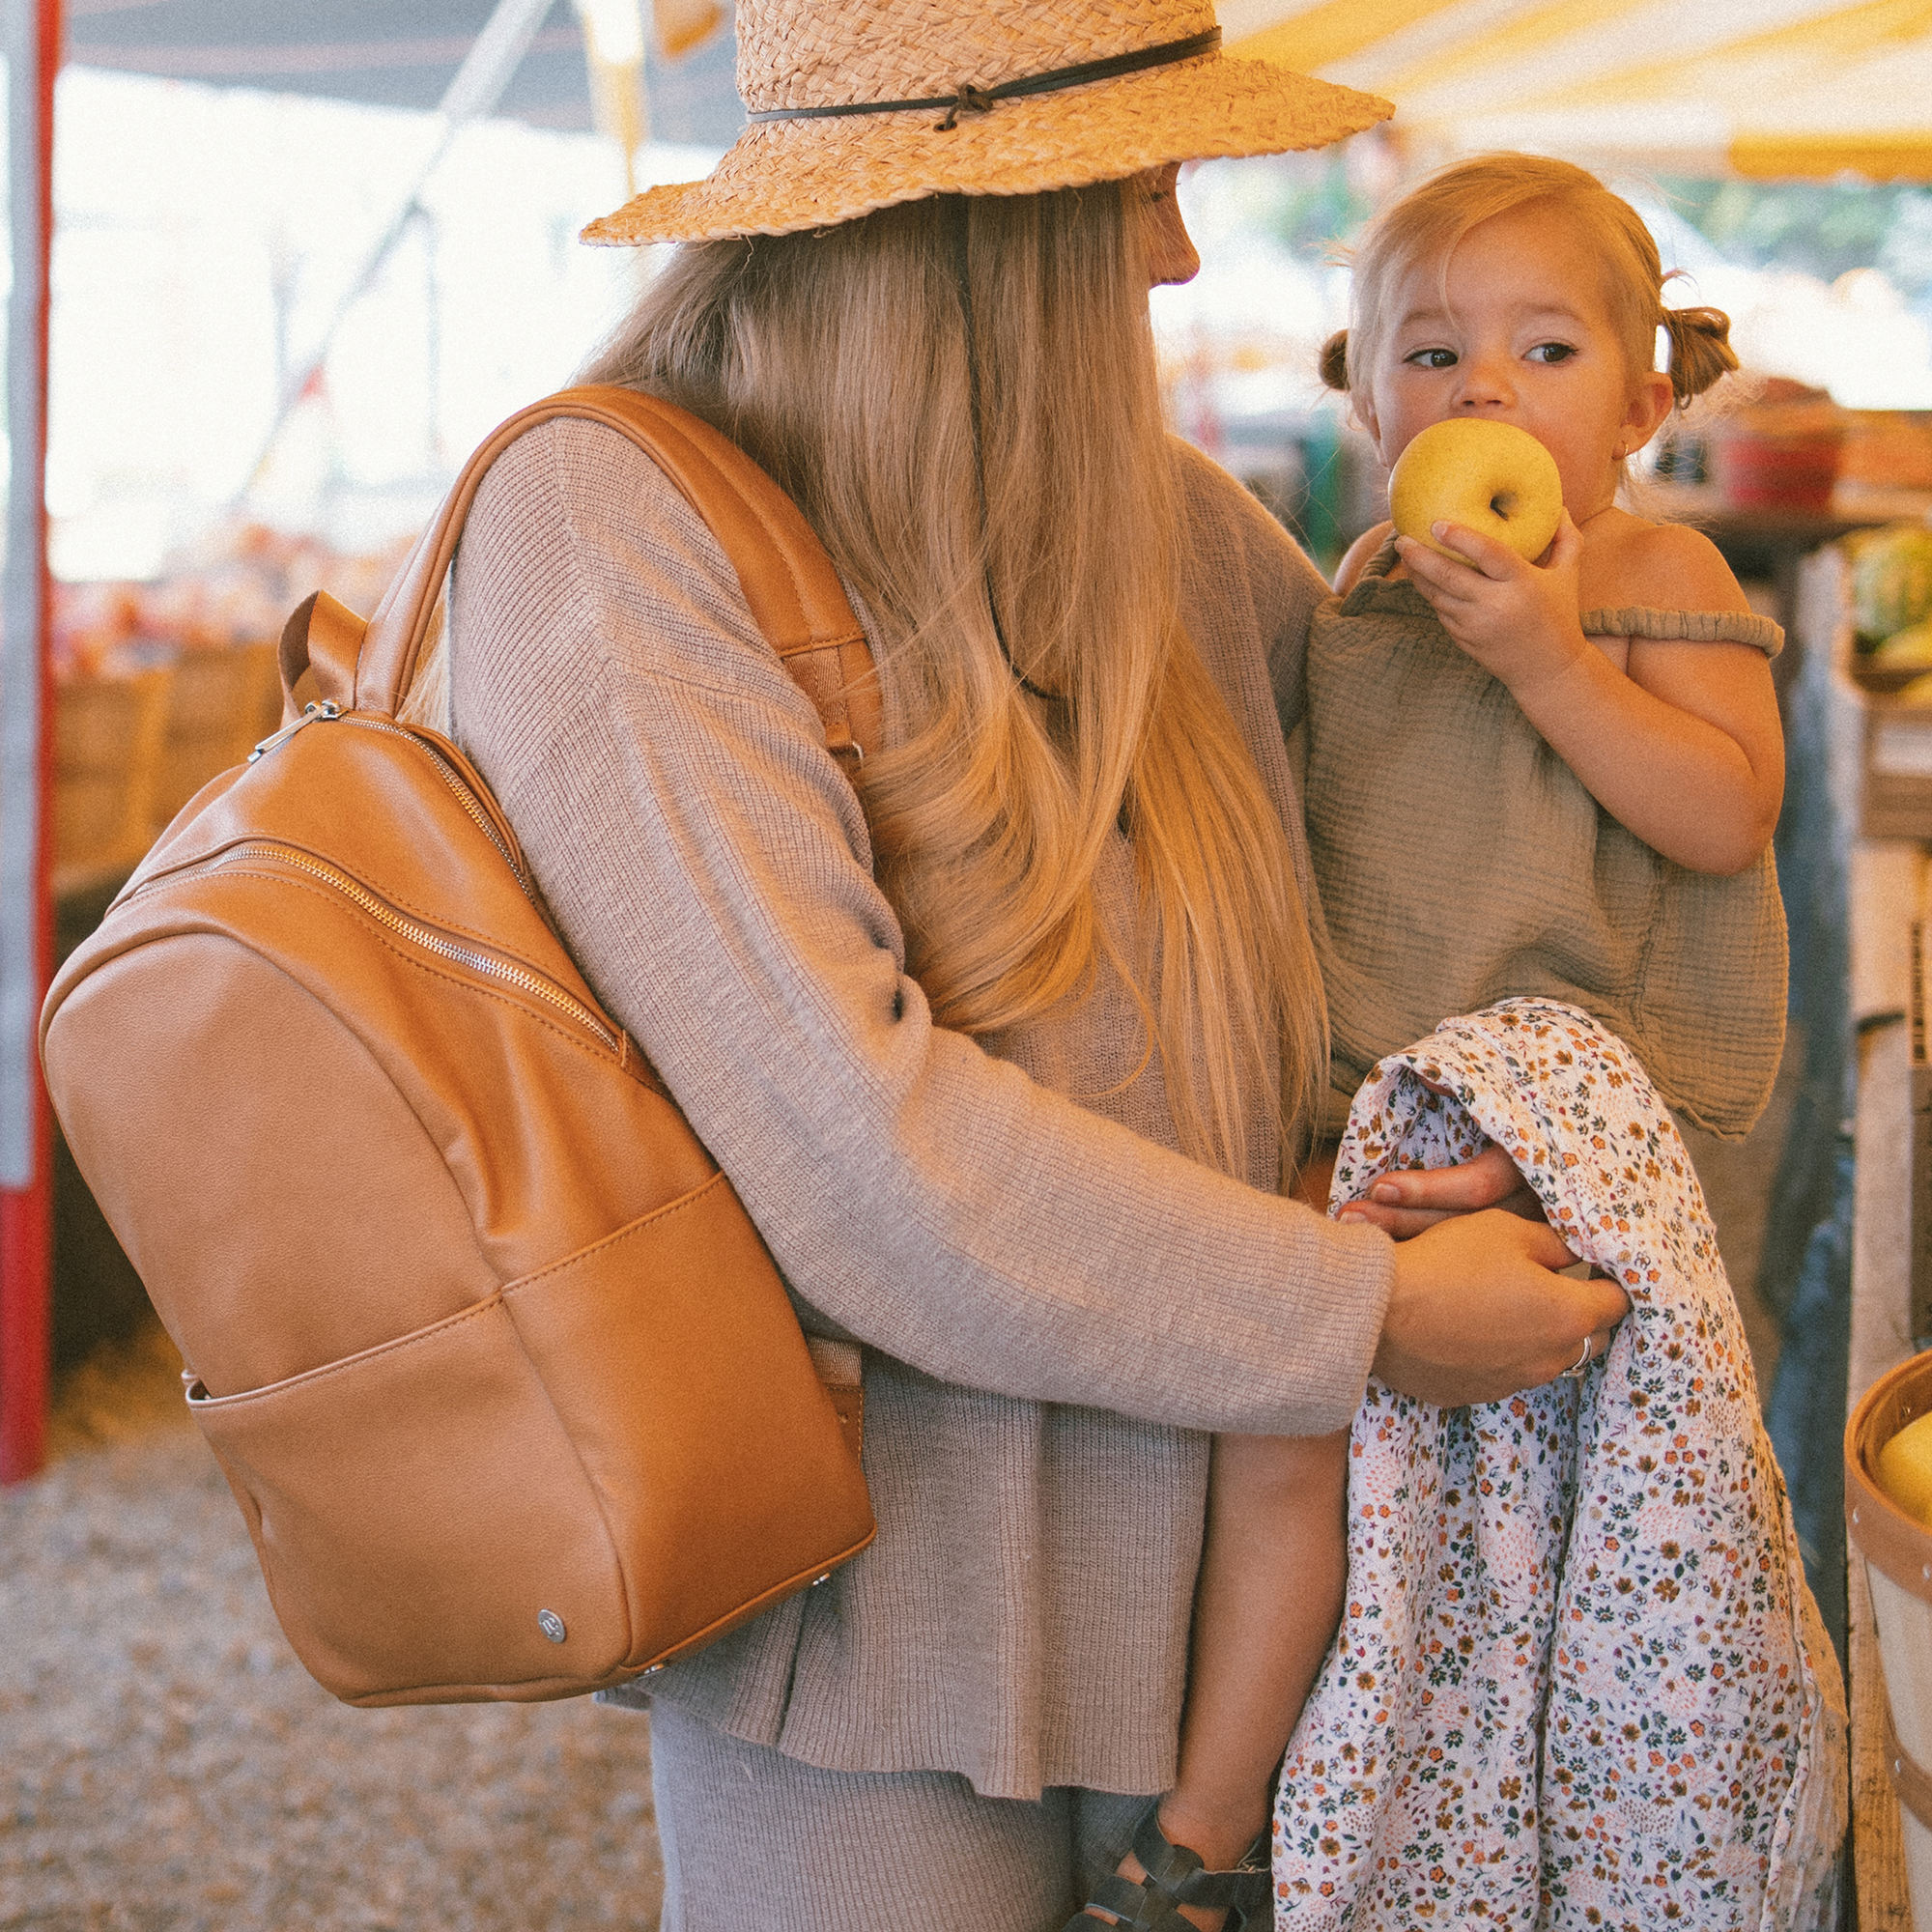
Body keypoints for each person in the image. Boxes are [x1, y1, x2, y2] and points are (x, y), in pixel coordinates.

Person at [438, 14, 1629, 1928]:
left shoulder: (1149, 518)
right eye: (1142, 182)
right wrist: (1367, 1312)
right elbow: (860, 1159)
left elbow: (1422, 859)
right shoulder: (606, 534)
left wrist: (1484, 1129)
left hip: (1242, 1596)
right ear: (975, 220)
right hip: (873, 1642)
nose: (1175, 249)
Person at [1106, 152, 1788, 1930]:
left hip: (1579, 1112)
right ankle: (1217, 1824)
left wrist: (1558, 662)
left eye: (1545, 352)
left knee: (1508, 1530)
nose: (1482, 391)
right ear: (1361, 395)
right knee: (1286, 1421)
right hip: (1385, 1115)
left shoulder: (1656, 567)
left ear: (1644, 400)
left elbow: (1724, 818)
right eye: (1429, 357)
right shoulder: (1368, 586)